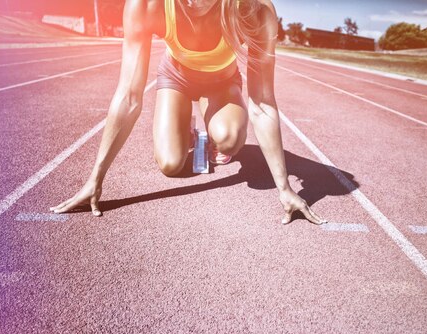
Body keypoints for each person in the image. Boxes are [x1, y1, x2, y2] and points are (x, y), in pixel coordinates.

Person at [50, 0, 325, 225]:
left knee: (229, 139)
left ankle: (212, 125)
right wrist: (95, 179)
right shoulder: (146, 5)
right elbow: (129, 97)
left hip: (221, 84)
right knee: (170, 165)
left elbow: (263, 101)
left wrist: (285, 188)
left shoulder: (254, 10)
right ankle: (190, 133)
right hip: (176, 80)